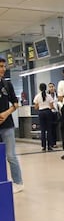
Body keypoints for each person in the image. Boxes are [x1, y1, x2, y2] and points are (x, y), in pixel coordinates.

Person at [0, 57, 23, 193]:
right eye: (0, 66)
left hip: (7, 125)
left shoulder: (7, 85)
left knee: (11, 155)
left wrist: (6, 113)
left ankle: (18, 182)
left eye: (3, 66)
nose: (3, 69)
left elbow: (15, 104)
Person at [33, 83, 55, 151]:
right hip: (48, 112)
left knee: (42, 130)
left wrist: (41, 105)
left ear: (40, 88)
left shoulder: (37, 96)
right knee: (49, 130)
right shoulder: (49, 96)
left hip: (41, 112)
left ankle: (43, 146)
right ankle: (49, 146)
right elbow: (51, 106)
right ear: (46, 88)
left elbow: (36, 107)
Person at [47, 83, 59, 148]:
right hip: (49, 112)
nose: (51, 88)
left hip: (56, 112)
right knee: (50, 128)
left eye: (52, 87)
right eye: (50, 87)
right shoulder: (47, 95)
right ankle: (51, 143)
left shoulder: (57, 94)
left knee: (55, 128)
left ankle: (54, 142)